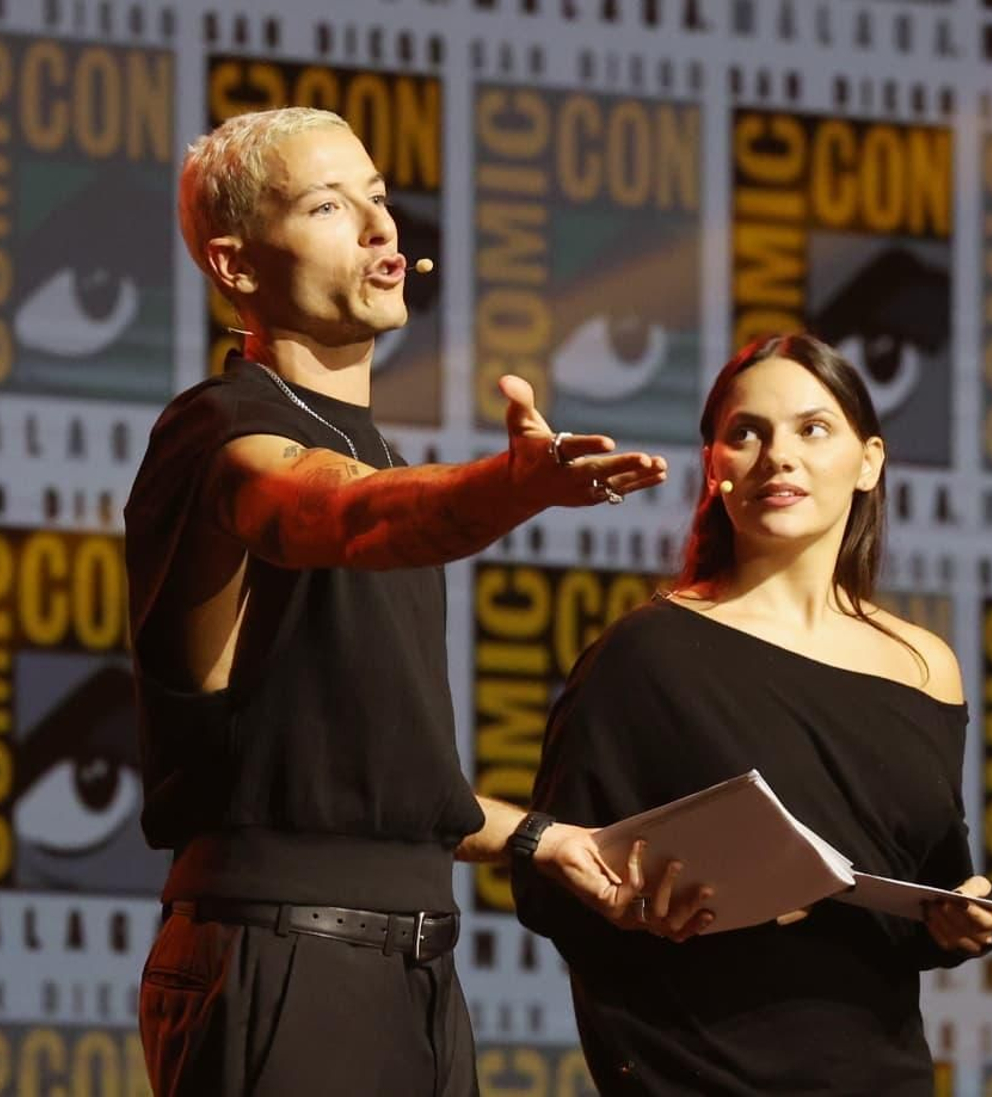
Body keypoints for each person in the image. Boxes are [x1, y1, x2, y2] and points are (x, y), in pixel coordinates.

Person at [126, 106, 664, 1096]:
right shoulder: (219, 431)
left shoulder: (383, 454)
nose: (382, 229)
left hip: (412, 964)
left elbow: (374, 783)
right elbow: (337, 514)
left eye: (378, 198)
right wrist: (509, 485)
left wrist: (542, 837)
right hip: (284, 952)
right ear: (236, 266)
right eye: (330, 205)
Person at [512, 333, 992, 1095]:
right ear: (715, 465)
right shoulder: (646, 655)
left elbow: (925, 879)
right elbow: (549, 880)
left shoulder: (925, 665)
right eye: (747, 432)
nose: (779, 455)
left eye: (813, 428)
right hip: (701, 1072)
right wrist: (642, 906)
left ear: (868, 460)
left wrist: (960, 920)